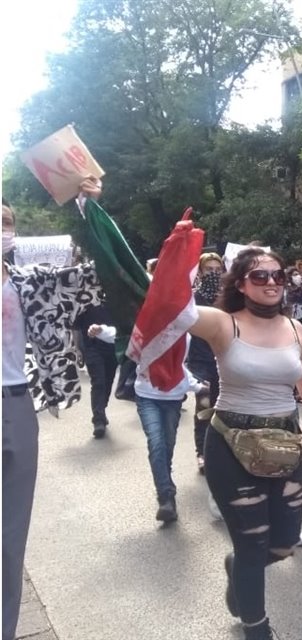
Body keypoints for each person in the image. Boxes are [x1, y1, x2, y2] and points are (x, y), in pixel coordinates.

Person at [182, 247, 302, 640]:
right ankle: (256, 627)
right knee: (252, 545)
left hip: (284, 444)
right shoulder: (222, 323)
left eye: (277, 275)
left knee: (283, 543)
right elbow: (172, 309)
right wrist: (176, 264)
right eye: (259, 276)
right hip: (232, 444)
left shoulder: (295, 328)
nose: (270, 282)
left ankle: (238, 567)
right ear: (241, 283)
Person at [2, 182, 105, 640]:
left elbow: (105, 276)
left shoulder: (32, 281)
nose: (2, 229)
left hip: (17, 405)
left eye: (6, 222)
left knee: (9, 539)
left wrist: (89, 206)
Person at [134, 334, 206, 523]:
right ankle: (165, 497)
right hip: (146, 396)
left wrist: (197, 387)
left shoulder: (186, 335)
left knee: (167, 446)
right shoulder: (146, 328)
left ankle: (166, 487)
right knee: (156, 443)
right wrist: (101, 330)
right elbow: (125, 340)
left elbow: (178, 365)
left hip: (172, 398)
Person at [188, 252, 225, 474]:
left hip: (223, 360)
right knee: (203, 406)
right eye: (209, 270)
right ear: (200, 272)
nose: (213, 274)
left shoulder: (227, 299)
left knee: (222, 409)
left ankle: (220, 451)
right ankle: (201, 452)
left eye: (217, 270)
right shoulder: (191, 298)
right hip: (199, 360)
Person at [74, 305, 119, 438]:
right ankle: (98, 419)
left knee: (108, 380)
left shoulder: (113, 297)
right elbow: (76, 326)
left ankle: (101, 409)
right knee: (98, 381)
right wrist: (77, 349)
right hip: (91, 347)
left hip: (112, 345)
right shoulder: (84, 300)